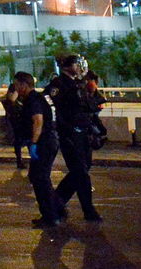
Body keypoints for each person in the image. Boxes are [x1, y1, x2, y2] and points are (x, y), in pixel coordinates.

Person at [46, 54, 101, 222]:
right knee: (80, 172)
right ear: (68, 66)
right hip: (70, 134)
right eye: (77, 64)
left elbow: (92, 106)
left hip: (84, 133)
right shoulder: (59, 84)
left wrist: (91, 90)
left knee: (82, 169)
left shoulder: (81, 83)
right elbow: (55, 104)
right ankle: (88, 210)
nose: (79, 67)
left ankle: (56, 201)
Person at [11, 71, 60, 228]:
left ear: (24, 85)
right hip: (48, 140)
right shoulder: (40, 97)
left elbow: (37, 121)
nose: (16, 88)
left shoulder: (33, 100)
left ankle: (51, 216)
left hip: (43, 142)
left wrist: (33, 143)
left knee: (40, 179)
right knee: (38, 177)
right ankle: (55, 210)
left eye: (17, 85)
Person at [3, 82, 26, 168]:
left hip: (18, 118)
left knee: (19, 140)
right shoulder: (15, 89)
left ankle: (19, 160)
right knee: (18, 140)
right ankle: (19, 160)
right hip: (16, 118)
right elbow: (12, 99)